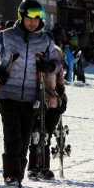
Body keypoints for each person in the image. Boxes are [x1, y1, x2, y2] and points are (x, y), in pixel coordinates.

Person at [0, 0, 59, 188]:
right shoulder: (5, 36)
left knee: (25, 139)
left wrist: (49, 66)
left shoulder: (45, 39)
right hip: (8, 93)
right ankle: (10, 176)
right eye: (30, 17)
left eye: (38, 17)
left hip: (32, 97)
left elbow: (56, 62)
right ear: (21, 16)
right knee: (12, 136)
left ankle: (18, 175)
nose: (34, 21)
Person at [27, 45, 67, 180]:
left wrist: (63, 99)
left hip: (54, 104)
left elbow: (61, 85)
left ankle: (45, 167)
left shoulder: (57, 66)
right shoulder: (34, 61)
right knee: (35, 134)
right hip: (37, 102)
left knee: (46, 136)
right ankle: (33, 166)